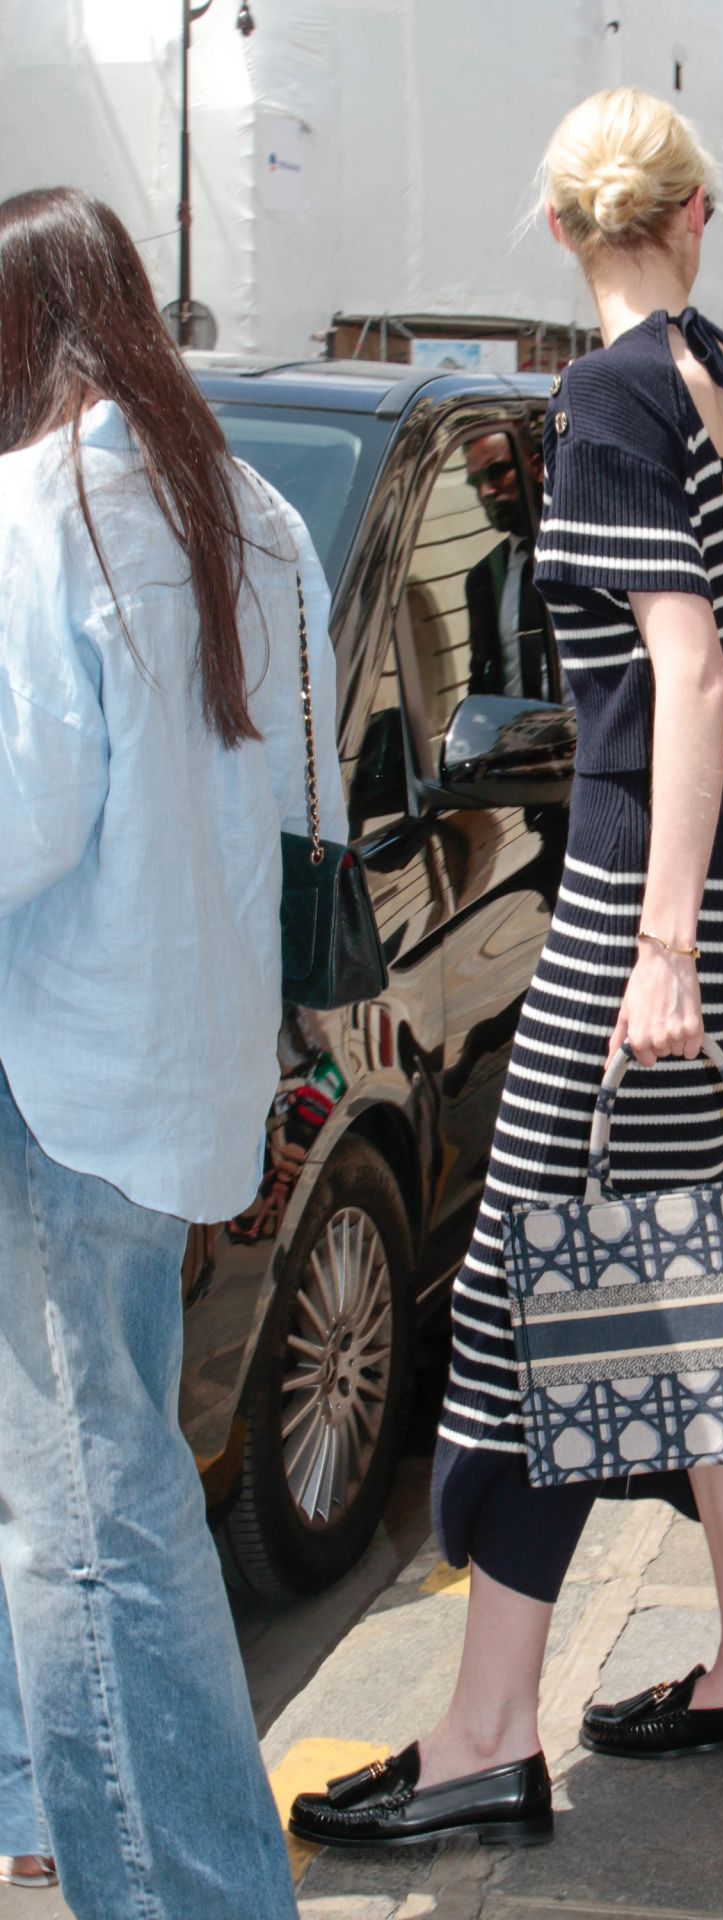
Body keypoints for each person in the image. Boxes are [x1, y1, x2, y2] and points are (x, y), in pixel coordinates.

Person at [291, 86, 723, 1856]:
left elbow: (680, 671)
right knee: (687, 1278)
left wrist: (659, 940)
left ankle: (479, 1737)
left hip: (637, 909)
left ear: (554, 231)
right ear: (695, 218)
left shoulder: (603, 396)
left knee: (536, 1304)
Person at [0, 188, 344, 1918]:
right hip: (179, 1067)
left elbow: (19, 819)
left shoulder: (41, 504)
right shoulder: (252, 506)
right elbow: (308, 809)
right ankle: (42, 1798)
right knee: (85, 1473)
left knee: (92, 1506)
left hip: (55, 1069)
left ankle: (187, 1889)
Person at [465, 430, 550, 698]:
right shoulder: (483, 579)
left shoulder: (588, 549)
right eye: (475, 482)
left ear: (536, 468)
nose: (486, 491)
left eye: (496, 473)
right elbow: (482, 676)